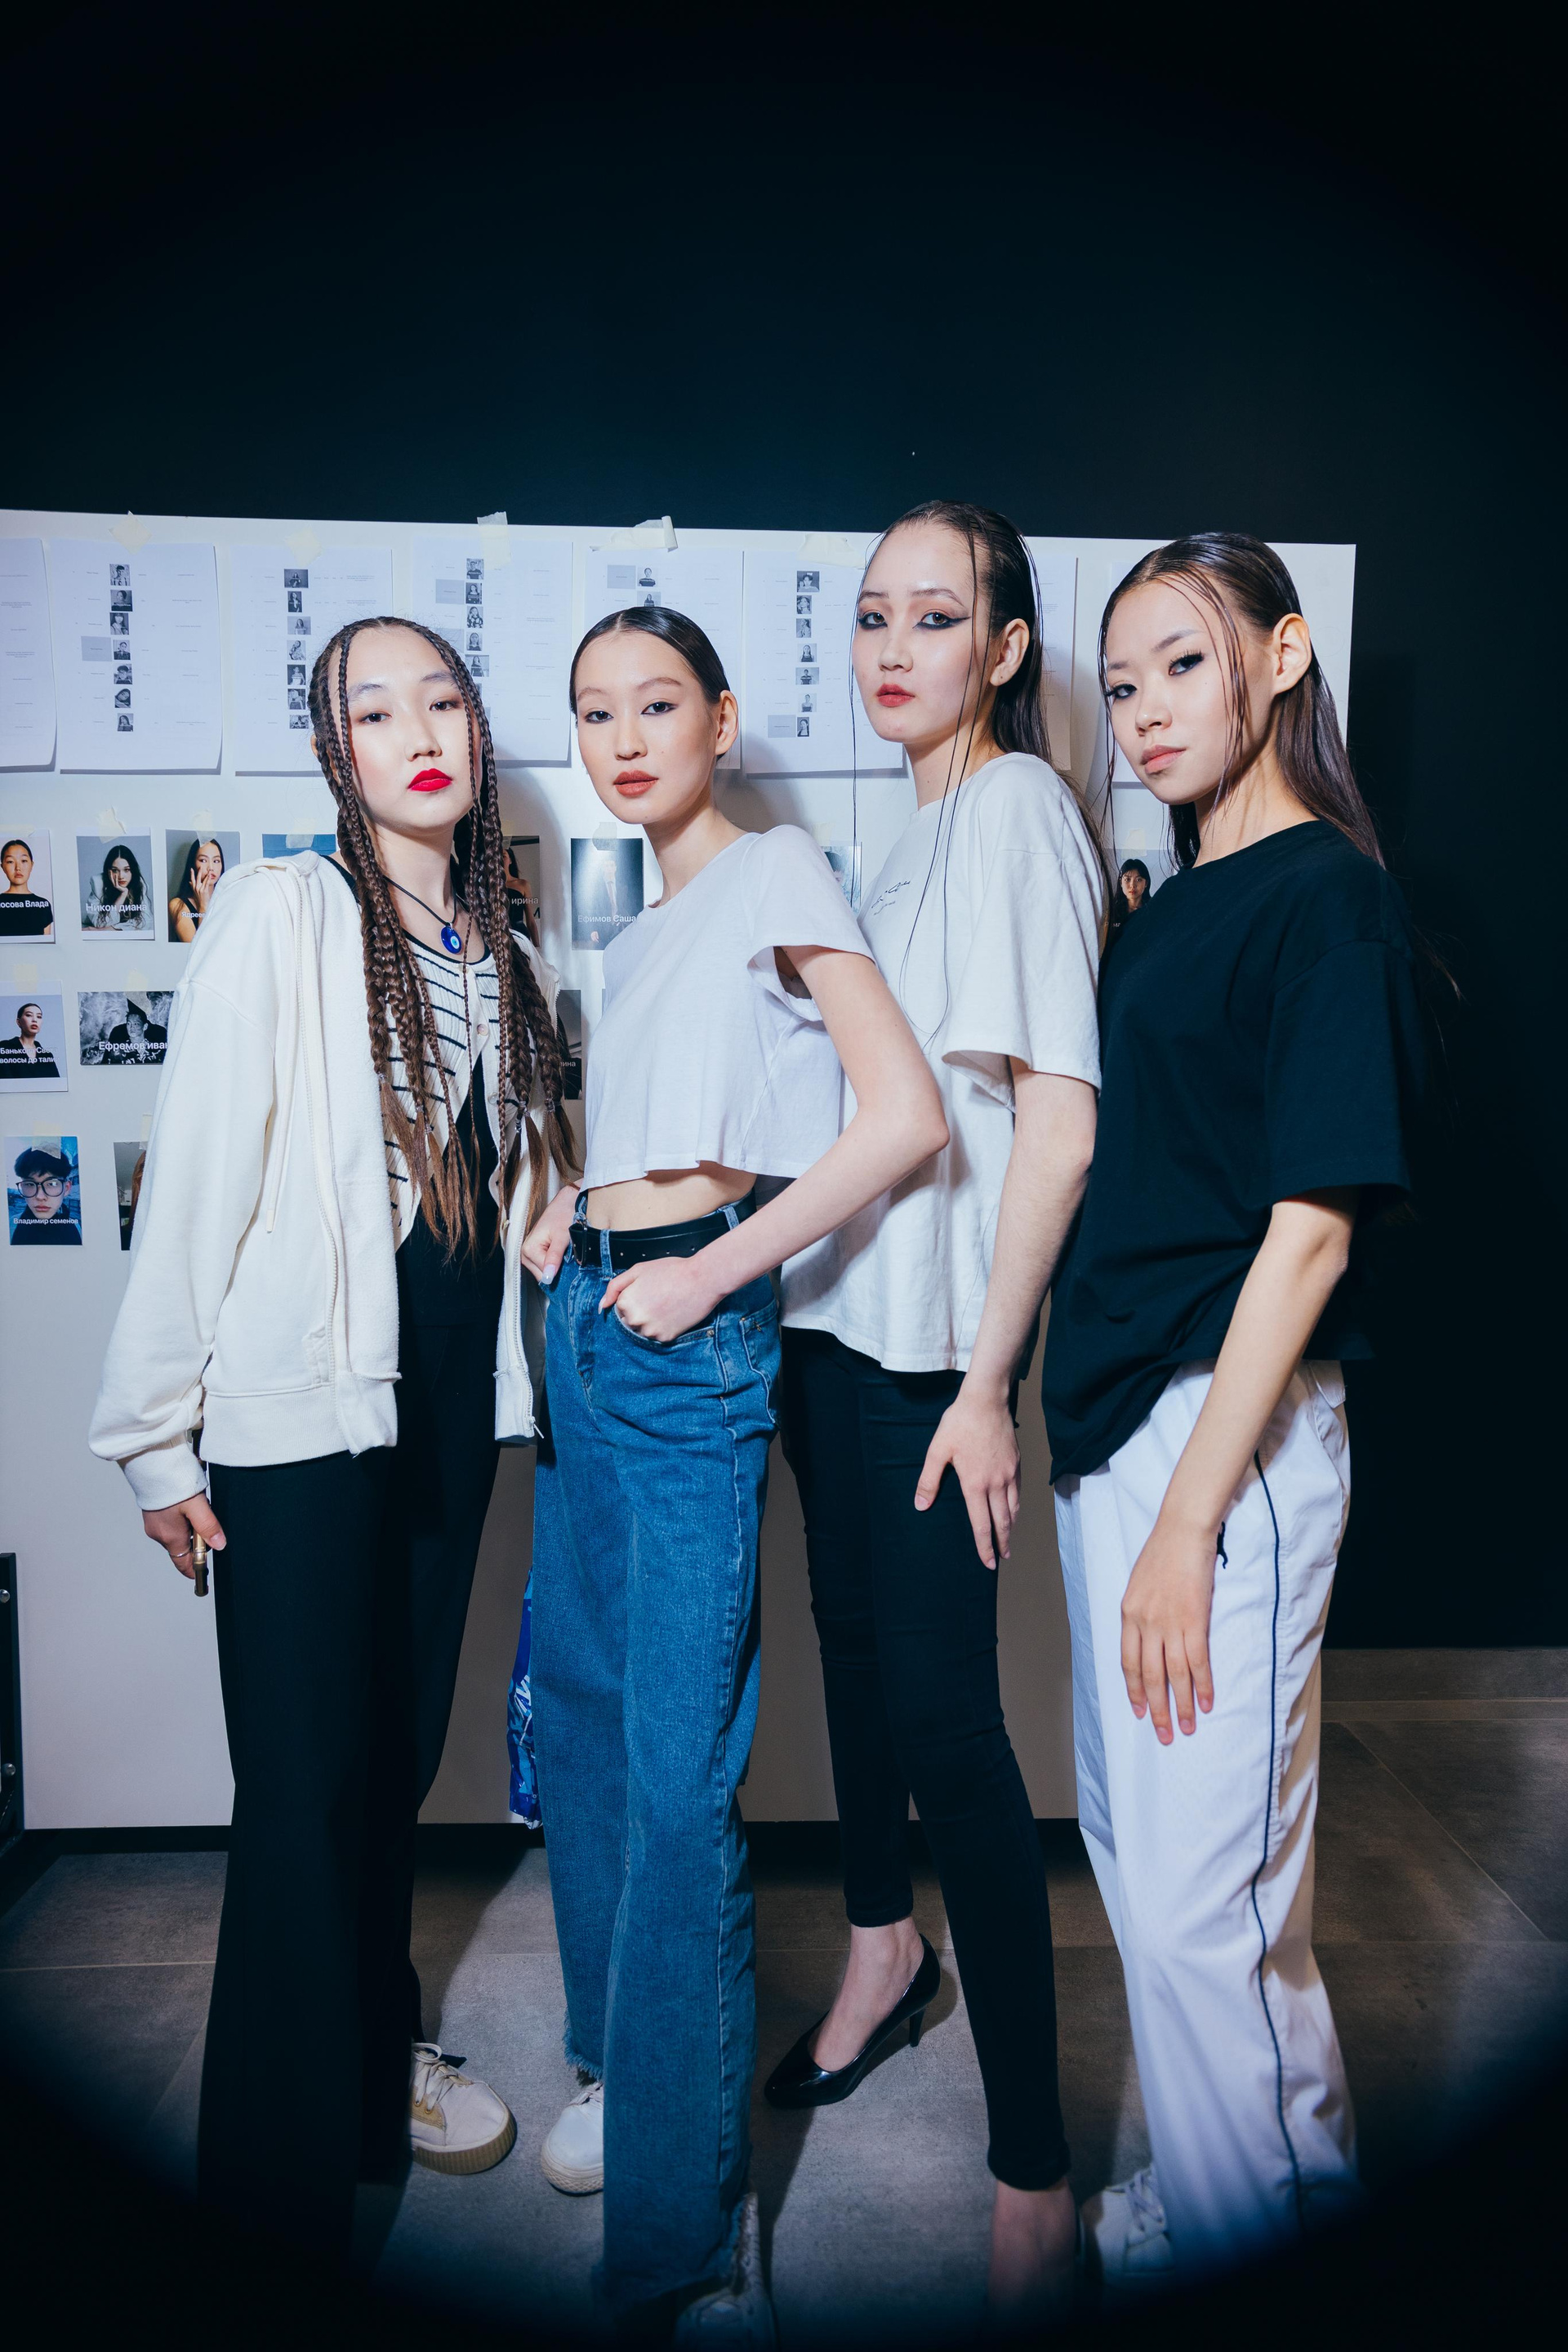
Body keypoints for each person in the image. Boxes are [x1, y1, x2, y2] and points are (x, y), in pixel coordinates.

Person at [89, 616, 573, 2261]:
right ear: (334, 751)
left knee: (388, 1771)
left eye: (441, 700)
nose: (417, 731)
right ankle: (274, 2205)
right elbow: (199, 1175)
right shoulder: (283, 913)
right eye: (375, 710)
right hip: (299, 1412)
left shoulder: (505, 954)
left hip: (440, 1411)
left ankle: (371, 2081)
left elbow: (516, 1187)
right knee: (300, 1797)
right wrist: (157, 1440)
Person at [521, 604, 947, 2341]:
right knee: (587, 1722)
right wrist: (576, 1208)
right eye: (594, 712)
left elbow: (902, 1116)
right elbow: (667, 1128)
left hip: (687, 1350)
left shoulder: (776, 870)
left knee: (679, 1780)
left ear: (721, 717)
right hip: (588, 1318)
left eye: (656, 704)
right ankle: (627, 2075)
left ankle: (680, 2252)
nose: (624, 739)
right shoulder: (640, 930)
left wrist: (711, 1270)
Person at [1043, 534, 1428, 2287]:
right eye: (1122, 683)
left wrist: (1190, 1518)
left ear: (1282, 657)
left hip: (1227, 1440)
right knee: (1152, 1870)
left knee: (1213, 1910)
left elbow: (1313, 1229)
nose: (1144, 710)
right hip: (1122, 1424)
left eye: (1182, 665)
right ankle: (1221, 2204)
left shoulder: (1324, 896)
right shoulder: (1173, 900)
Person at [769, 501, 1105, 2327]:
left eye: (935, 615)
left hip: (928, 1363)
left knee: (951, 1728)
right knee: (847, 1654)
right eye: (872, 616)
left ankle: (1033, 2174)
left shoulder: (1022, 808)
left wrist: (989, 1382)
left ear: (1005, 645)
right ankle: (883, 1951)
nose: (894, 647)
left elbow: (1058, 1117)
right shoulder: (897, 844)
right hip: (835, 1332)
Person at [9, 1143, 80, 1244]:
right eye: (30, 1184)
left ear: (66, 1189)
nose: (40, 1196)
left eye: (52, 1184)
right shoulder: (11, 1226)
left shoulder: (75, 1228)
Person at [169, 837, 225, 942]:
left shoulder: (227, 901)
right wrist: (203, 905)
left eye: (216, 861)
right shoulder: (178, 905)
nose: (211, 867)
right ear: (193, 864)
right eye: (203, 860)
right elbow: (197, 948)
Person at [86, 841, 149, 932]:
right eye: (115, 870)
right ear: (108, 871)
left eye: (126, 870)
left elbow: (146, 921)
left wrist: (112, 929)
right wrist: (123, 894)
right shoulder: (98, 884)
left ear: (133, 871)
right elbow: (101, 924)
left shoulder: (139, 884)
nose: (121, 876)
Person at [0, 838, 55, 938]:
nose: (18, 868)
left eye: (24, 861)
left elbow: (45, 944)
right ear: (2, 866)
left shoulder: (43, 905)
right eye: (10, 862)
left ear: (31, 865)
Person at [99, 995, 168, 1066]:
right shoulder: (118, 1032)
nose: (132, 1027)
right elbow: (106, 1062)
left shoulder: (160, 1032)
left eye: (136, 1024)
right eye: (129, 1024)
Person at [0, 1000, 60, 1079]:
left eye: (39, 1017)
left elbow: (56, 1083)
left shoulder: (47, 1055)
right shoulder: (4, 1047)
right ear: (19, 1022)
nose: (35, 1020)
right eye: (29, 1015)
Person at [1105, 855, 1151, 944]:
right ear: (1121, 883)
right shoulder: (1112, 913)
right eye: (1127, 879)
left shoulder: (1152, 910)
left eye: (1139, 880)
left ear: (1146, 883)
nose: (1132, 885)